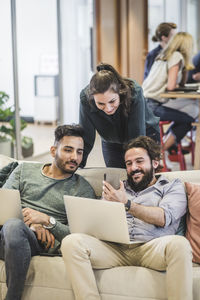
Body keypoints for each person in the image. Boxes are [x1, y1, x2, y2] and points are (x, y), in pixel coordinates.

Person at [61, 135, 192, 300]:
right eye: (129, 164)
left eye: (139, 161)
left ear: (155, 163)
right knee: (71, 242)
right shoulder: (118, 188)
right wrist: (104, 205)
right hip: (116, 249)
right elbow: (96, 221)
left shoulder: (173, 186)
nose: (134, 168)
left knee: (179, 244)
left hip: (151, 248)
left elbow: (163, 217)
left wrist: (127, 203)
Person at [0, 124, 96, 300]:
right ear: (53, 150)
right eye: (68, 150)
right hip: (5, 235)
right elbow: (2, 205)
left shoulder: (82, 189)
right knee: (13, 225)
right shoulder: (23, 170)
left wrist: (47, 221)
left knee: (14, 227)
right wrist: (32, 223)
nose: (75, 157)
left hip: (35, 243)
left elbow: (82, 236)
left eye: (79, 152)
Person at [79, 63, 160, 169]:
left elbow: (137, 136)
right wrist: (78, 166)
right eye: (101, 104)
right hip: (112, 139)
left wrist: (134, 165)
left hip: (144, 135)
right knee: (116, 177)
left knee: (141, 176)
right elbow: (85, 137)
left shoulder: (134, 91)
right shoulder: (86, 99)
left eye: (112, 101)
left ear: (120, 92)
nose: (108, 108)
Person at [142, 32, 199, 154]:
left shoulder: (163, 55)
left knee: (193, 107)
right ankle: (160, 151)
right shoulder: (176, 56)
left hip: (146, 103)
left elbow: (180, 84)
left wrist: (184, 67)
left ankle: (167, 144)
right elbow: (172, 86)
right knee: (192, 116)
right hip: (153, 106)